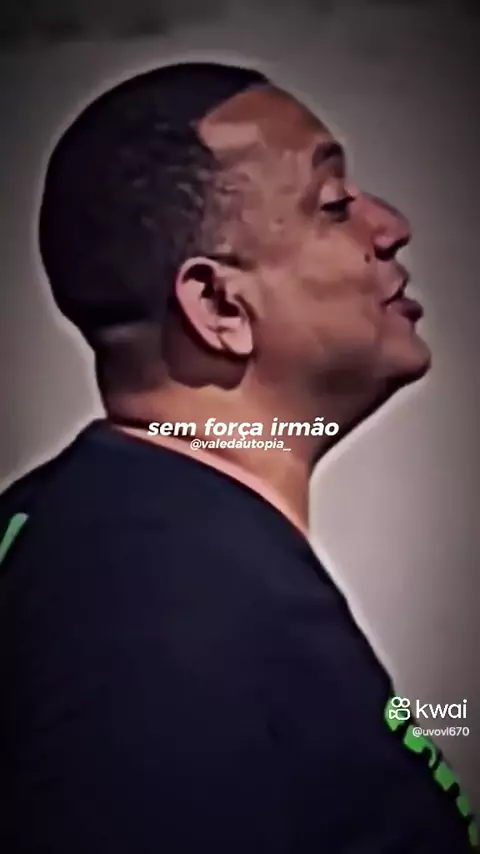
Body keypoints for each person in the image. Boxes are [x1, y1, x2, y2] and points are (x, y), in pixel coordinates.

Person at [0, 61, 476, 853]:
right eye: (334, 205)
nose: (390, 226)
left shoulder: (102, 539)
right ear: (219, 304)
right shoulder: (160, 612)